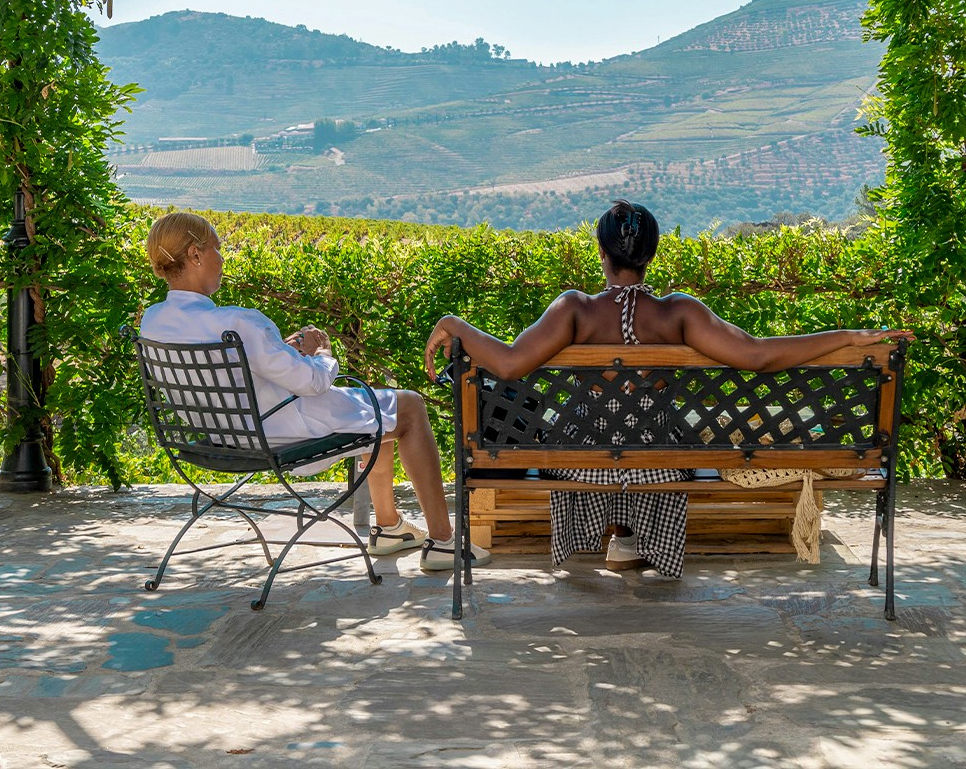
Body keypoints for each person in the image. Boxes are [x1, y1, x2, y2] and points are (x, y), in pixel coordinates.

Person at [424, 199, 912, 578]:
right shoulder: (679, 312)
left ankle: (617, 536)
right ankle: (634, 539)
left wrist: (453, 322)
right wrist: (848, 337)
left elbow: (508, 365)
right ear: (652, 255)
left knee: (583, 430)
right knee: (664, 434)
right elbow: (760, 355)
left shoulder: (574, 309)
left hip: (581, 465)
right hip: (660, 466)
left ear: (602, 253)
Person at [140, 211, 489, 573]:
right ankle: (445, 542)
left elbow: (234, 373)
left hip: (221, 436)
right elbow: (312, 383)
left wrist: (282, 349)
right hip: (281, 431)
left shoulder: (153, 321)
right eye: (217, 248)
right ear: (196, 255)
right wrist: (323, 354)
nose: (222, 258)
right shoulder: (237, 322)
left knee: (377, 406)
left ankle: (389, 528)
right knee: (408, 407)